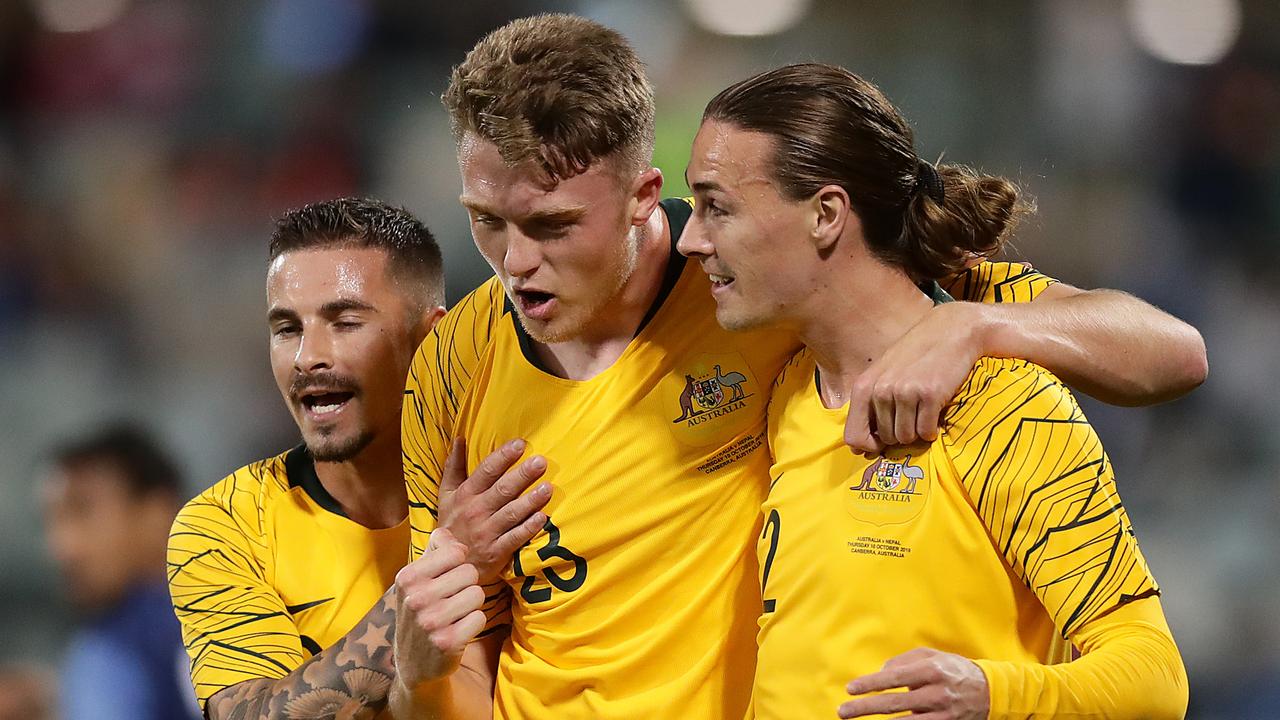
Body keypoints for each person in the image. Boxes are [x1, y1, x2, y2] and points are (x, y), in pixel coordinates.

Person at [390, 14, 1206, 719]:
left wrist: (975, 324)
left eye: (553, 224)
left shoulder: (968, 373)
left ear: (642, 197)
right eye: (485, 222)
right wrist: (432, 621)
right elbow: (447, 654)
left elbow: (1173, 352)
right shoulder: (786, 391)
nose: (513, 261)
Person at [678, 62, 1189, 719]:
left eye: (717, 207)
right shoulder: (789, 392)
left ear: (826, 214)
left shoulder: (1001, 402)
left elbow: (1154, 679)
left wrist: (994, 695)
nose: (693, 239)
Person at [165, 198, 529, 720]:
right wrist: (448, 564)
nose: (307, 356)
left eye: (344, 322)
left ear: (430, 339)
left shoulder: (510, 486)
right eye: (287, 328)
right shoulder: (225, 526)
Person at [40, 424, 201, 720]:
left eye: (82, 511)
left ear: (158, 513)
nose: (63, 546)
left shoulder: (108, 652)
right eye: (53, 520)